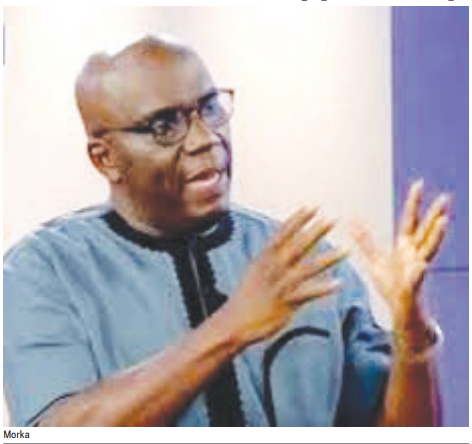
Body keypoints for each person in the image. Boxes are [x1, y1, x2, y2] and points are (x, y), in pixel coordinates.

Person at [3, 35, 450, 427]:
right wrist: (230, 327)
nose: (206, 138)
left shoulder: (304, 262)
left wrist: (413, 335)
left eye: (210, 108)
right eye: (165, 125)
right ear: (106, 158)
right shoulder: (43, 271)